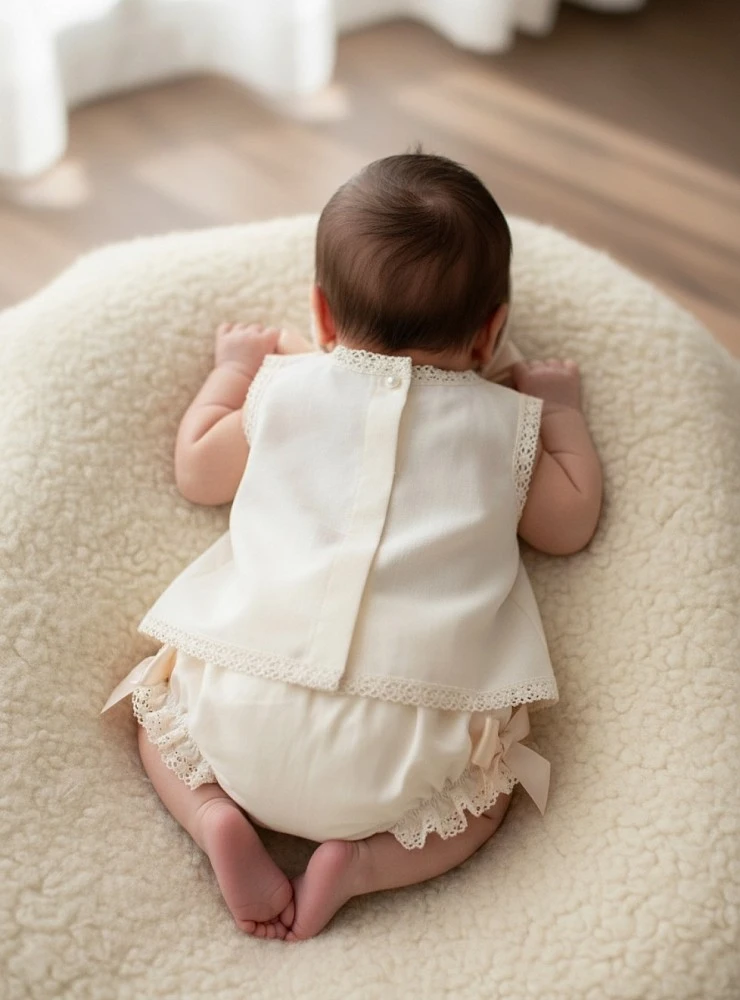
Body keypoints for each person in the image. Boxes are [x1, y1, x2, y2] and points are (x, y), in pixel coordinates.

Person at [103, 152, 602, 941]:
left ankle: (211, 817)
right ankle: (362, 863)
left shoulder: (285, 388)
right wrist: (560, 409)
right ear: (491, 334)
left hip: (243, 704)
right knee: (488, 795)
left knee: (151, 711)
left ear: (323, 318)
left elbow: (199, 469)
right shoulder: (503, 426)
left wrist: (234, 371)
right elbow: (569, 525)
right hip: (407, 745)